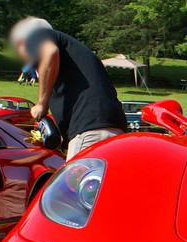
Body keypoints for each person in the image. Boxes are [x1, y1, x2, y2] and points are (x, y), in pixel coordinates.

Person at [9, 17, 126, 160]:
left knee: (72, 182)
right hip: (113, 128)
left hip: (89, 131)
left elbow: (50, 52)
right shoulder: (74, 50)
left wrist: (41, 104)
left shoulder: (38, 34)